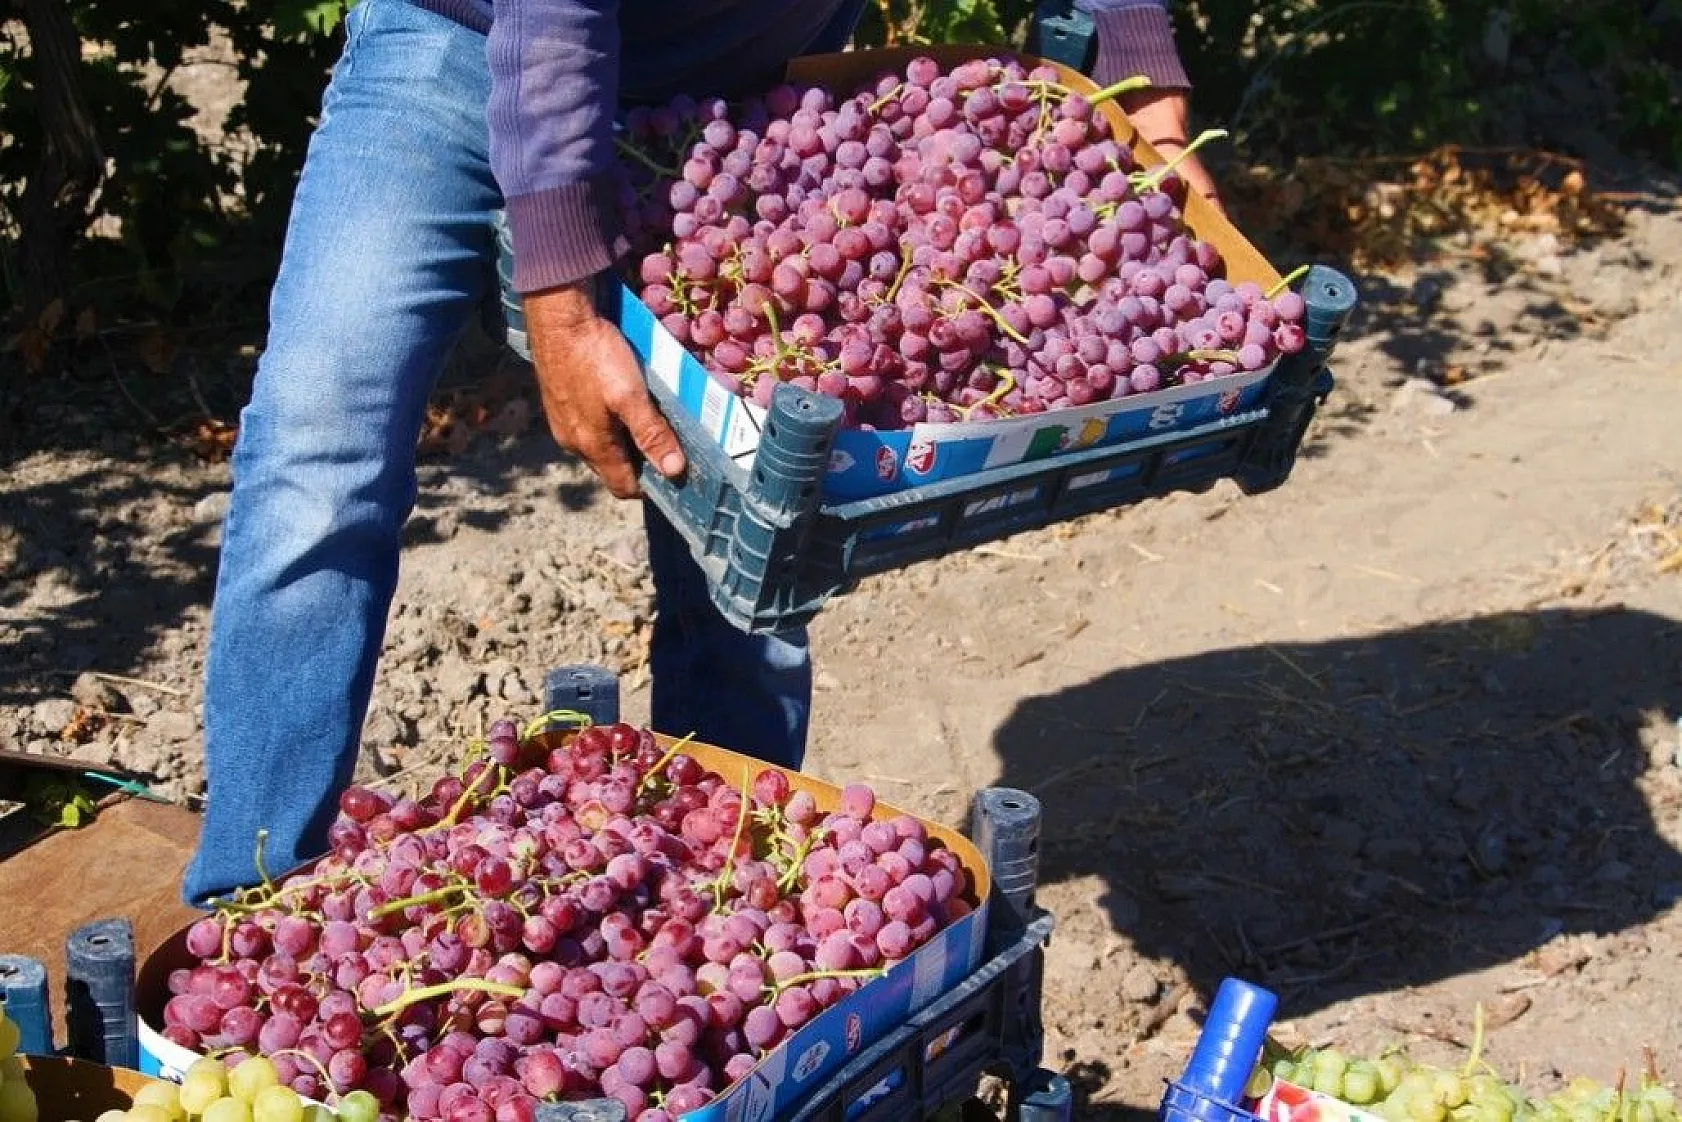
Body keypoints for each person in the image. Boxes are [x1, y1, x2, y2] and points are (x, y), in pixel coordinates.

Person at [181, 0, 1216, 906]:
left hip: (736, 92)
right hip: (460, 49)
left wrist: (1137, 60)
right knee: (321, 449)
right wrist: (562, 295)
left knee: (760, 496)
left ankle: (713, 900)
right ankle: (251, 898)